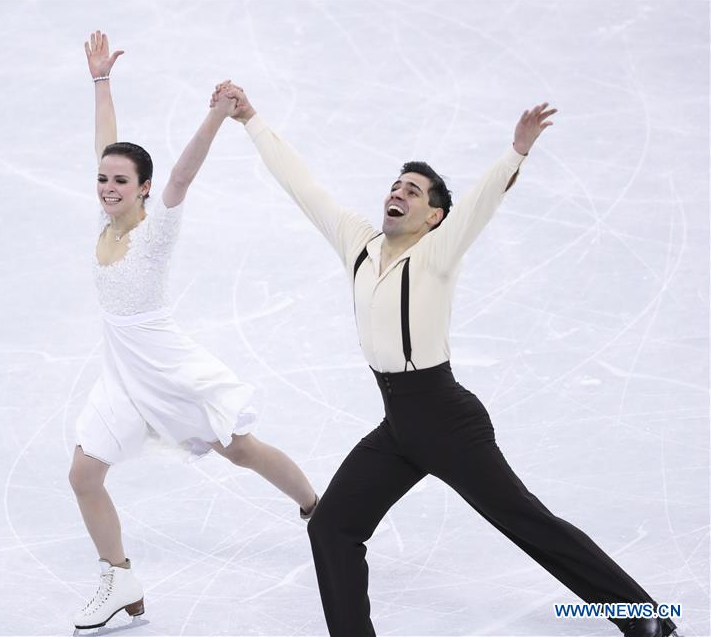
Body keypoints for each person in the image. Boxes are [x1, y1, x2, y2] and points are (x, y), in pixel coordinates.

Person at [213, 81, 679, 637]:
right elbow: (303, 185)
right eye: (396, 186)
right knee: (332, 527)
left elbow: (480, 203)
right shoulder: (359, 245)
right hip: (399, 426)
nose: (399, 194)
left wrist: (516, 152)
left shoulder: (437, 251)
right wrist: (251, 119)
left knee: (526, 521)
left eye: (413, 191)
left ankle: (644, 616)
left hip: (447, 421)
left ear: (433, 216)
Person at [68, 33, 318, 631]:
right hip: (122, 377)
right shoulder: (105, 214)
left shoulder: (154, 231)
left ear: (143, 189)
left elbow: (181, 175)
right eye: (103, 180)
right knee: (83, 474)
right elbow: (108, 144)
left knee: (241, 450)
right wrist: (101, 81)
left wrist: (218, 115)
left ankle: (319, 508)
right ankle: (119, 578)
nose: (108, 188)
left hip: (166, 369)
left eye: (121, 182)